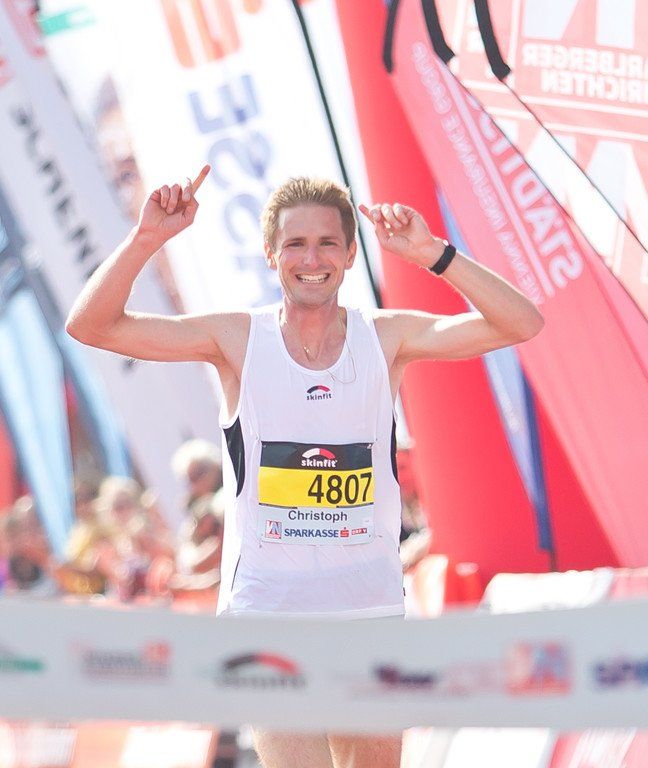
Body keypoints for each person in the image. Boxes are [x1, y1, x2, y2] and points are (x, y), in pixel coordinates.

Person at [65, 165, 544, 767]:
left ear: (349, 255)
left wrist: (433, 254)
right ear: (272, 254)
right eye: (295, 243)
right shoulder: (236, 339)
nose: (311, 259)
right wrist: (146, 240)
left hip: (367, 611)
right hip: (269, 615)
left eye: (326, 244)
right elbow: (91, 325)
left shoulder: (386, 338)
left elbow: (522, 323)